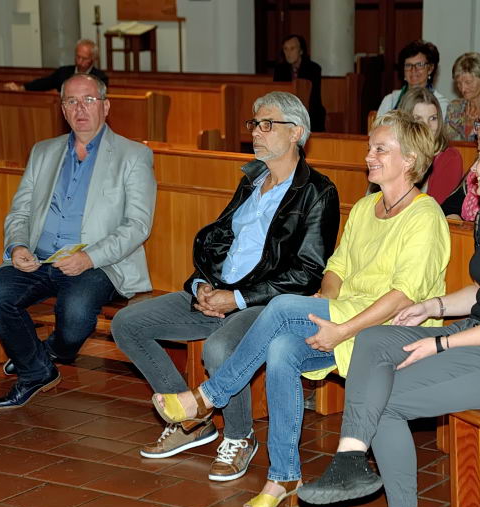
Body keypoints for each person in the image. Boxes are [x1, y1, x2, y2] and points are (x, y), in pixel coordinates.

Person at [150, 111, 450, 507]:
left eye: (381, 149)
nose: (369, 156)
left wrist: (340, 327)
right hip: (346, 320)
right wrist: (326, 306)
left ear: (410, 159)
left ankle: (207, 398)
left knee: (283, 306)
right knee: (282, 351)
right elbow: (337, 269)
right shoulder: (366, 207)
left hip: (391, 331)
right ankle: (283, 476)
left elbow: (403, 298)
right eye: (370, 148)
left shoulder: (425, 216)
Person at [298, 118, 480, 507]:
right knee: (374, 339)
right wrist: (431, 306)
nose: (474, 168)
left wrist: (440, 344)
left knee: (385, 401)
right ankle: (350, 459)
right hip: (475, 335)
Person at [110, 91, 340, 480]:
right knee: (127, 323)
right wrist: (201, 283)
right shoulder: (252, 181)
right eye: (254, 124)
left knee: (219, 348)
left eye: (267, 124)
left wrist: (236, 298)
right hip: (217, 293)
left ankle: (239, 437)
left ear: (297, 132)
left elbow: (307, 272)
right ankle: (191, 422)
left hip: (265, 304)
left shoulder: (318, 191)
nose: (256, 132)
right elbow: (218, 241)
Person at [0, 73, 156, 410]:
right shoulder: (43, 151)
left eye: (89, 100)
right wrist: (18, 246)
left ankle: (45, 353)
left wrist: (89, 258)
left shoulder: (133, 155)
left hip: (99, 263)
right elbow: (20, 211)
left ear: (106, 106)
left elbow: (137, 225)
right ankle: (36, 372)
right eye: (71, 101)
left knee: (75, 313)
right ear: (62, 109)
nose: (80, 108)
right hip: (40, 259)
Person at [398, 87, 462, 205]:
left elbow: (435, 206)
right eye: (418, 118)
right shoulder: (395, 151)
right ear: (405, 122)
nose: (427, 126)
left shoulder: (449, 157)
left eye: (433, 118)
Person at [4, 39, 109, 92]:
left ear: (93, 59)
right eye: (78, 57)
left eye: (84, 58)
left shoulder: (100, 78)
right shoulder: (63, 72)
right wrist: (21, 88)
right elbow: (43, 83)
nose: (80, 61)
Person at [377, 40, 449, 117]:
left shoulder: (440, 103)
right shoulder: (390, 101)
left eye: (419, 65)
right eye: (408, 65)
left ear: (430, 69)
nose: (413, 70)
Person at [273, 34, 326, 132]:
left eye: (292, 49)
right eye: (285, 49)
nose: (288, 53)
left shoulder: (313, 68)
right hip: (286, 113)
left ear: (301, 51)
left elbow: (314, 98)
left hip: (310, 113)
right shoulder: (280, 69)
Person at [445, 52, 480, 141]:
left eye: (468, 82)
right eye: (459, 83)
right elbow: (451, 144)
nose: (463, 89)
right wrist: (468, 127)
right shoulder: (454, 108)